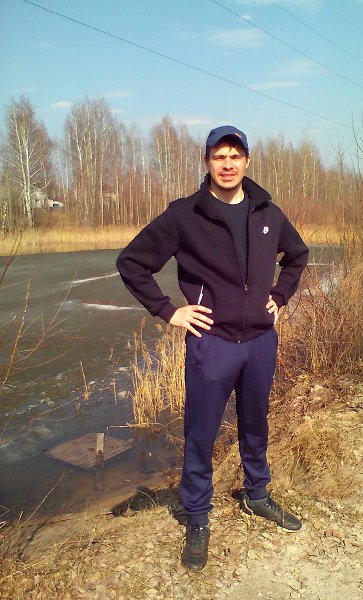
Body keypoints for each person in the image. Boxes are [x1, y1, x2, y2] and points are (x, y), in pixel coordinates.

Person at [116, 125, 309, 572]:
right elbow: (132, 263)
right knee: (201, 433)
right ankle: (198, 516)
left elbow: (297, 256)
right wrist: (169, 311)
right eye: (219, 156)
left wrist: (279, 296)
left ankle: (257, 494)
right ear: (207, 162)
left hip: (260, 341)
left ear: (247, 161)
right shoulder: (186, 214)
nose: (227, 164)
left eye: (235, 156)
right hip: (213, 344)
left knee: (255, 423)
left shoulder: (267, 212)